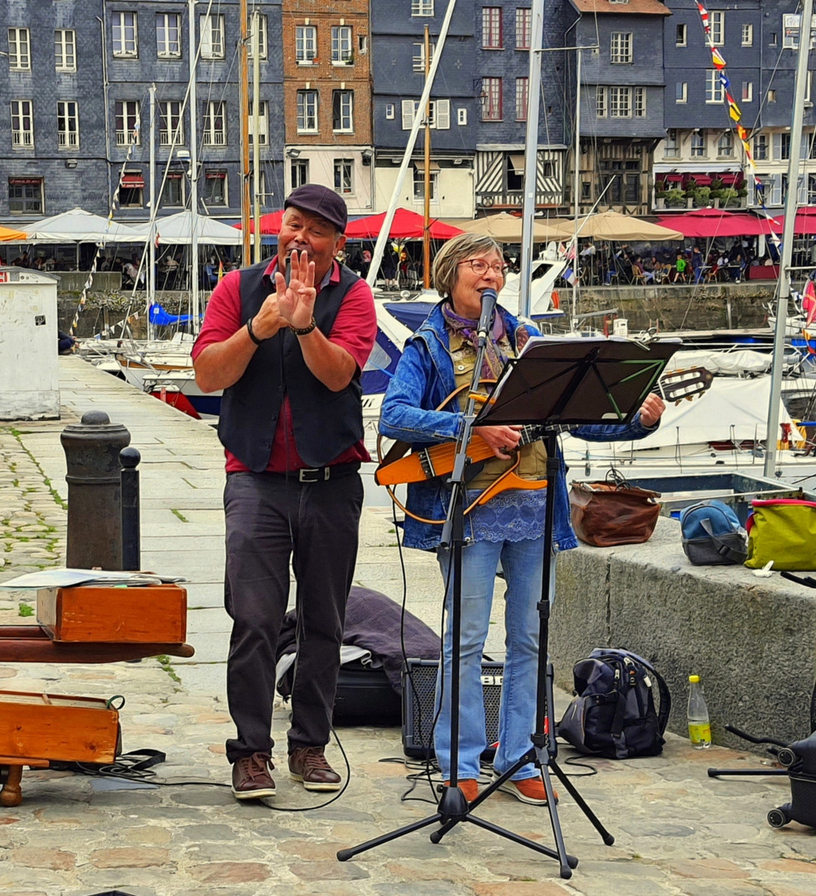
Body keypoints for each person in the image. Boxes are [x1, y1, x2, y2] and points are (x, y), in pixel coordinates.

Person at [379, 233, 666, 804]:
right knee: (465, 642)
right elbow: (394, 414)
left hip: (536, 507)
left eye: (498, 264)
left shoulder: (528, 342)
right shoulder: (428, 345)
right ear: (449, 274)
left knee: (530, 641)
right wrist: (472, 430)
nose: (490, 273)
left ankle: (519, 759)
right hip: (469, 510)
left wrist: (638, 419)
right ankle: (458, 762)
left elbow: (577, 418)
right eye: (476, 264)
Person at [191, 184, 376, 801]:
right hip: (255, 479)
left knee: (326, 619)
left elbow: (339, 374)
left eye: (316, 230)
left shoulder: (353, 295)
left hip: (331, 480)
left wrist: (303, 329)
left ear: (337, 243)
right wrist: (261, 325)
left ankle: (310, 746)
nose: (301, 237)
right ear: (280, 229)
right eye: (294, 224)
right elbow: (209, 373)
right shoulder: (236, 289)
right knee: (254, 618)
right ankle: (249, 753)